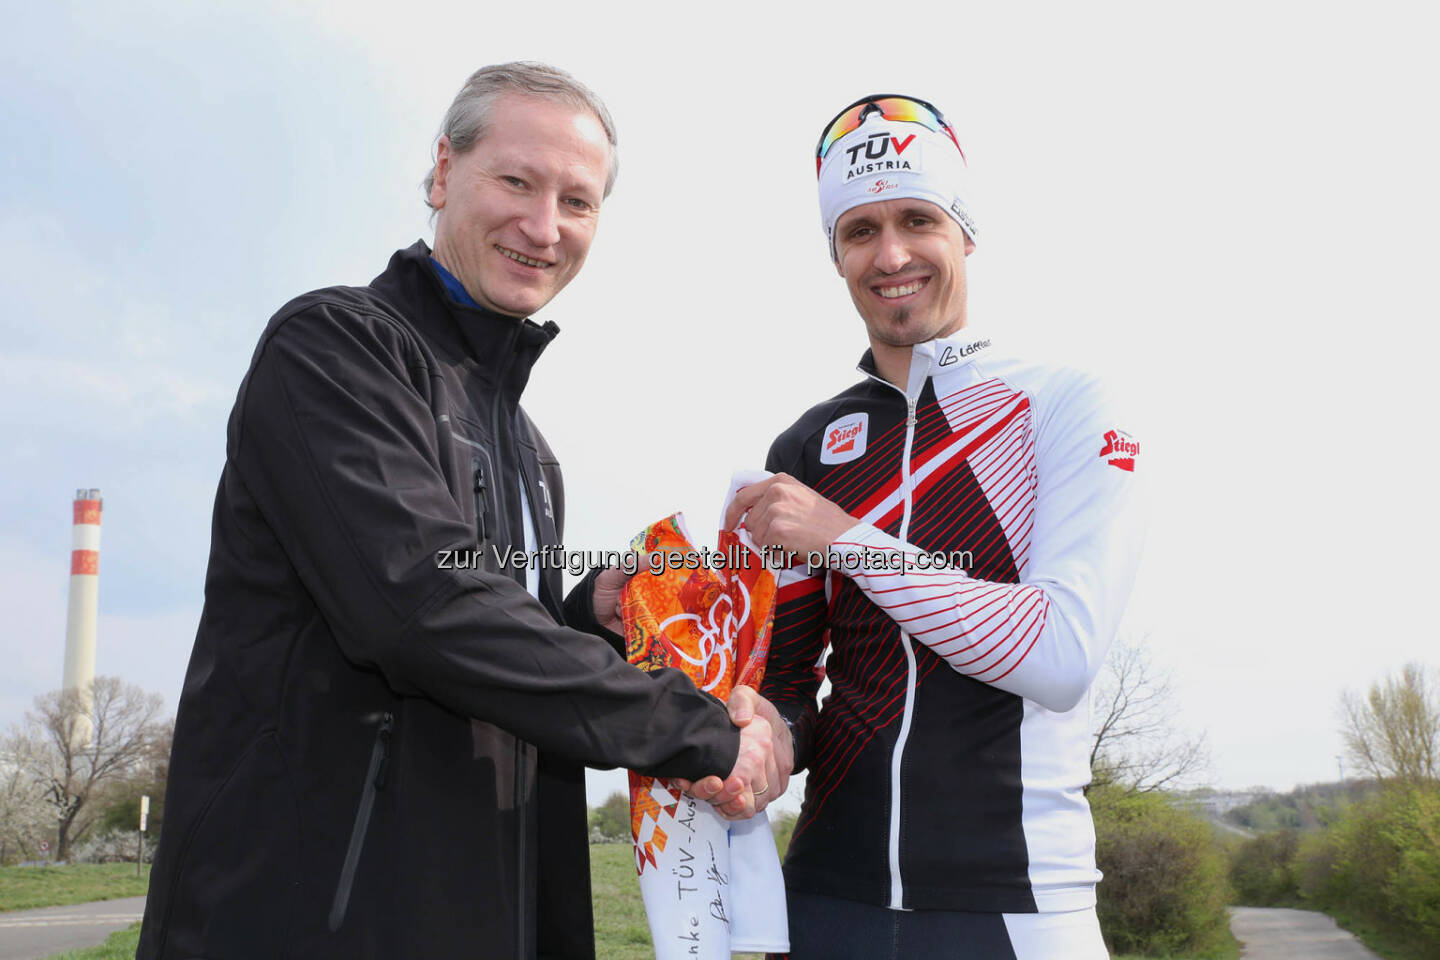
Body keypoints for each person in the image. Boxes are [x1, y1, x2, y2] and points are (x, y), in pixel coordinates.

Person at [136, 62, 782, 960]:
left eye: (577, 201)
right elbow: (424, 609)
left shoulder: (530, 447)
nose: (542, 226)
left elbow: (490, 633)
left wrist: (587, 614)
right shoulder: (332, 350)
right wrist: (700, 729)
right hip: (309, 918)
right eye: (516, 181)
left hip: (474, 915)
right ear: (444, 171)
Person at [725, 94, 1147, 959]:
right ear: (835, 254)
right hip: (823, 899)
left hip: (1019, 905)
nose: (891, 255)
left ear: (965, 233)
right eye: (859, 230)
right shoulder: (806, 445)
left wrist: (846, 539)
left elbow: (1059, 652)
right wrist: (760, 737)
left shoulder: (1064, 403)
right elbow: (794, 684)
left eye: (918, 219)